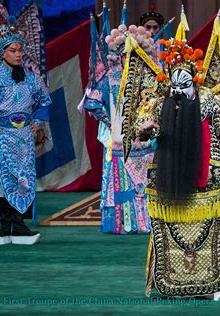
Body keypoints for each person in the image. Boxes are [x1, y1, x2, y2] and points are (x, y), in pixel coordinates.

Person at [120, 9, 220, 300]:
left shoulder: (211, 99)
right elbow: (139, 125)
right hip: (168, 172)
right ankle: (171, 281)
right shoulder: (159, 101)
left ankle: (216, 282)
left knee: (212, 229)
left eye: (184, 82)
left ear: (195, 79)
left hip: (209, 172)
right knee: (168, 226)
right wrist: (146, 128)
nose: (179, 87)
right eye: (174, 82)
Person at [81, 9, 156, 234]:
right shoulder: (110, 78)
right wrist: (110, 122)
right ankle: (124, 222)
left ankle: (146, 221)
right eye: (126, 53)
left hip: (144, 141)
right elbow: (91, 102)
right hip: (120, 140)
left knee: (144, 182)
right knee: (122, 182)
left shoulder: (148, 76)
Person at [0, 25, 51, 245]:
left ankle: (19, 225)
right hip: (1, 137)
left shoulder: (32, 79)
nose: (18, 54)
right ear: (3, 53)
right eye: (13, 50)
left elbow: (44, 102)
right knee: (3, 181)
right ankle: (4, 226)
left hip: (24, 138)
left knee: (24, 179)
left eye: (20, 50)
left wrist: (36, 122)